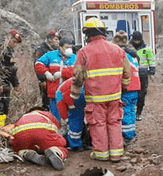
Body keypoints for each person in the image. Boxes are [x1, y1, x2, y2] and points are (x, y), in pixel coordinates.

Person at [71, 18, 131, 162]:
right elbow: (127, 72)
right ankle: (116, 154)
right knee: (114, 122)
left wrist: (75, 94)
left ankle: (101, 154)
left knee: (98, 124)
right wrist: (123, 87)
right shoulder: (118, 49)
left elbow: (78, 76)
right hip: (115, 96)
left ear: (88, 35)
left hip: (95, 98)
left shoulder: (84, 52)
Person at [35, 39, 76, 122]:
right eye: (66, 47)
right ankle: (57, 131)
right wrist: (46, 73)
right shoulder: (50, 55)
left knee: (70, 117)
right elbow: (38, 64)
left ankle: (69, 132)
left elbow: (76, 71)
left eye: (70, 47)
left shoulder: (74, 57)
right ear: (60, 47)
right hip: (53, 93)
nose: (68, 50)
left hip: (68, 94)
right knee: (55, 118)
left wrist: (62, 73)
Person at [113, 31, 140, 145]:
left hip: (127, 88)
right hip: (135, 87)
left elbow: (121, 72)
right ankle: (131, 133)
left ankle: (128, 136)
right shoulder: (133, 53)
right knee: (131, 111)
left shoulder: (121, 54)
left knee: (126, 112)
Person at [0, 29, 22, 126]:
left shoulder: (10, 52)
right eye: (14, 42)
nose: (15, 45)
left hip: (6, 84)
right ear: (7, 38)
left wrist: (15, 84)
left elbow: (12, 70)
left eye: (16, 43)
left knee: (5, 107)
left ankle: (2, 128)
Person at [129, 30, 155, 121]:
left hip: (143, 73)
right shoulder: (128, 48)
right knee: (130, 94)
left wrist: (152, 73)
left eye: (138, 40)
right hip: (131, 74)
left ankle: (139, 112)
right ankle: (131, 112)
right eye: (135, 40)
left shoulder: (146, 48)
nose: (136, 42)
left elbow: (151, 60)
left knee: (142, 94)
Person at [56, 77, 87, 151]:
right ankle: (91, 141)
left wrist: (67, 121)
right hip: (88, 89)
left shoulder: (59, 94)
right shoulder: (67, 84)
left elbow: (62, 109)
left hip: (74, 95)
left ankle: (75, 145)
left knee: (75, 119)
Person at [33, 30, 60, 110]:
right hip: (45, 79)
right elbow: (37, 65)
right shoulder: (41, 50)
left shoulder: (56, 50)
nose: (58, 41)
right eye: (56, 39)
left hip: (54, 80)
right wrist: (42, 80)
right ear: (49, 39)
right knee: (46, 101)